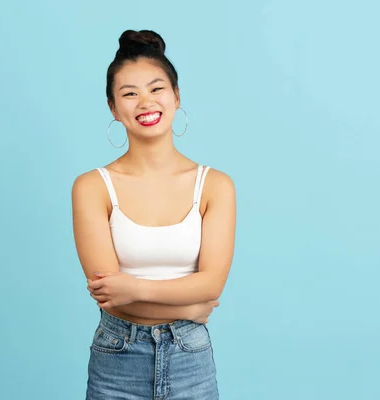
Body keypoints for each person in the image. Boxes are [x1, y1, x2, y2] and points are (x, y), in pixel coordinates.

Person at [71, 29, 236, 400]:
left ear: (176, 96)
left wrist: (136, 288)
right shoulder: (92, 187)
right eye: (129, 93)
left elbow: (212, 286)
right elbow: (110, 295)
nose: (145, 102)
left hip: (190, 357)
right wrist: (191, 305)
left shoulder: (215, 186)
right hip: (117, 357)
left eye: (156, 88)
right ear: (114, 108)